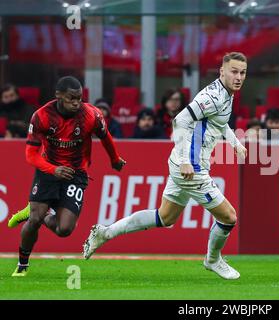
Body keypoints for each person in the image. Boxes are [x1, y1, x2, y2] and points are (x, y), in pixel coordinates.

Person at [83, 52, 248, 280]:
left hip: (186, 165)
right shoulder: (212, 97)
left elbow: (219, 122)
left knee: (165, 217)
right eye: (234, 71)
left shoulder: (226, 95)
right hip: (191, 169)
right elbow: (179, 121)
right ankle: (212, 260)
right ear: (222, 71)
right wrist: (184, 161)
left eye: (242, 72)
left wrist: (235, 143)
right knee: (229, 217)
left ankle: (105, 233)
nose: (238, 77)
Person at [9, 76, 126, 277]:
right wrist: (53, 170)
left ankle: (42, 213)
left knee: (64, 229)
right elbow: (30, 155)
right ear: (58, 96)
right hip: (48, 170)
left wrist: (114, 159)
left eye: (79, 98)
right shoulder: (42, 116)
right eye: (71, 98)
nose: (76, 102)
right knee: (34, 220)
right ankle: (23, 265)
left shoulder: (91, 115)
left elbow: (105, 137)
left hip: (76, 174)